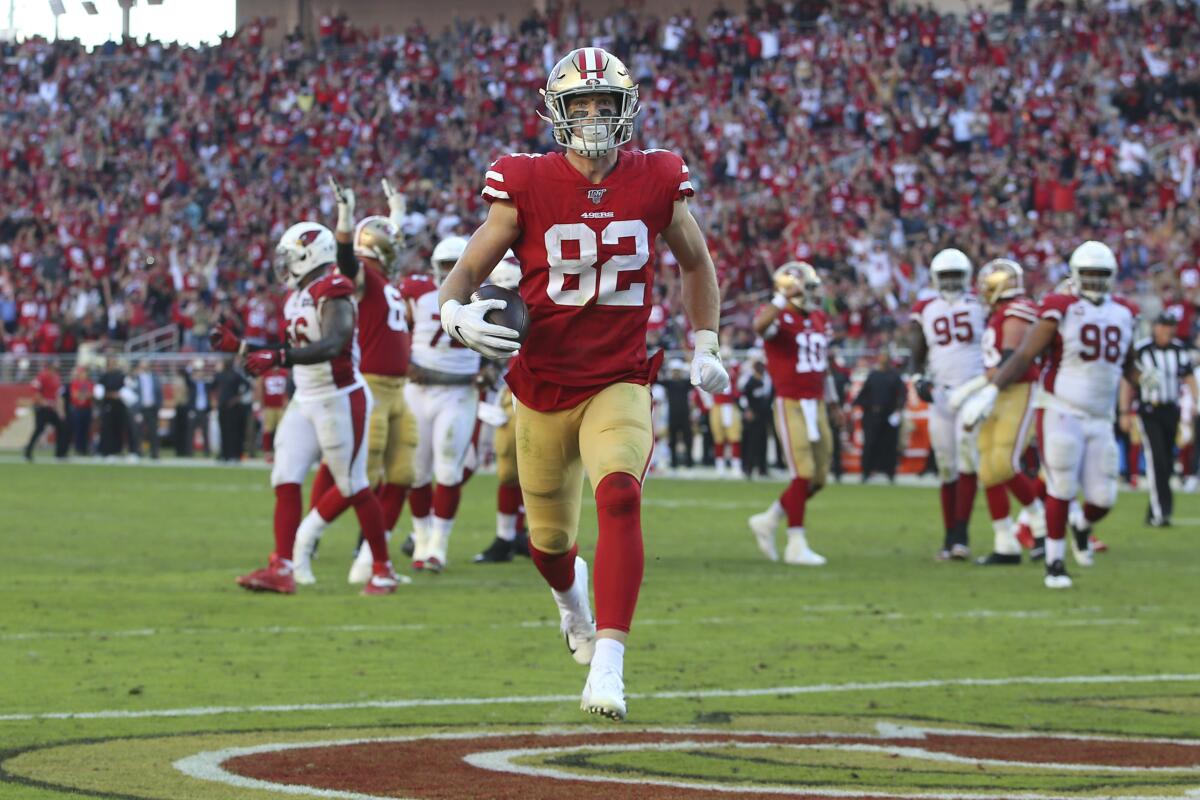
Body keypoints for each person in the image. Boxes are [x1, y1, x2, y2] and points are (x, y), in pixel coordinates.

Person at [437, 46, 729, 721]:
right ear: (558, 112)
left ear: (626, 110)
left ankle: (610, 665)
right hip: (540, 386)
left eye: (606, 104)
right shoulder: (526, 180)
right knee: (548, 548)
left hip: (618, 379)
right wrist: (452, 312)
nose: (595, 116)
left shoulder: (656, 177)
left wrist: (706, 340)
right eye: (582, 104)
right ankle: (574, 608)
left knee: (621, 495)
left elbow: (697, 261)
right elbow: (470, 264)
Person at [213, 212, 400, 596]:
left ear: (310, 253)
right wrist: (242, 347)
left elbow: (332, 343)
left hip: (339, 397)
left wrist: (277, 359)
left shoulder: (335, 288)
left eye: (289, 255)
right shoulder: (296, 295)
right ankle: (282, 566)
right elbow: (294, 348)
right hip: (306, 397)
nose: (283, 263)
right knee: (284, 474)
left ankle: (383, 569)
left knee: (354, 484)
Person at [959, 241, 1151, 589]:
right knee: (1060, 482)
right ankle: (1055, 562)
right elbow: (1022, 355)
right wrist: (991, 389)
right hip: (1061, 408)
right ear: (1075, 276)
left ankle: (1081, 526)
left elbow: (1126, 362)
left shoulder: (1123, 313)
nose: (1094, 281)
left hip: (1100, 415)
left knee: (1103, 498)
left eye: (1100, 275)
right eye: (1088, 274)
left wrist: (1143, 380)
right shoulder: (1060, 307)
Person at [295, 180, 418, 585]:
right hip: (372, 387)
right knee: (359, 476)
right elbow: (349, 263)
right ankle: (305, 538)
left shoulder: (382, 275)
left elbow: (385, 238)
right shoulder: (362, 275)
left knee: (402, 474)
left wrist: (395, 211)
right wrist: (345, 221)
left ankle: (369, 559)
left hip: (399, 391)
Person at [397, 234, 479, 573]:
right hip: (419, 390)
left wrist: (487, 368)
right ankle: (421, 539)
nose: (449, 272)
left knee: (448, 468)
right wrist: (404, 361)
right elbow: (396, 330)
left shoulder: (483, 296)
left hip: (458, 392)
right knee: (416, 471)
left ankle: (438, 548)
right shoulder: (416, 292)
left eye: (454, 265)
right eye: (445, 266)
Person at [959, 259, 1049, 566]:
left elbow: (1014, 359)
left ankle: (1040, 523)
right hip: (997, 389)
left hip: (1018, 391)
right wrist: (972, 389)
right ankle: (1005, 542)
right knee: (986, 467)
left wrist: (986, 391)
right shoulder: (999, 313)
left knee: (1004, 462)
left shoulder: (1017, 310)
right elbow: (997, 364)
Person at [748, 262, 834, 566]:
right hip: (791, 402)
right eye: (806, 288)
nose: (813, 294)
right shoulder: (780, 316)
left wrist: (835, 402)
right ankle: (796, 543)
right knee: (803, 473)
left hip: (818, 401)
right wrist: (781, 298)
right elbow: (760, 327)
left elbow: (825, 365)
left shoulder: (820, 317)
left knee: (819, 477)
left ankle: (769, 519)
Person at [908, 248, 986, 560]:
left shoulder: (981, 305)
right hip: (941, 392)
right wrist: (917, 377)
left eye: (956, 276)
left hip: (974, 391)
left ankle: (961, 535)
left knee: (967, 461)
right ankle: (949, 535)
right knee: (946, 466)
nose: (952, 283)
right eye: (947, 277)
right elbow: (917, 345)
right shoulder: (925, 307)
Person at [473, 257, 531, 564]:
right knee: (509, 468)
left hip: (543, 386)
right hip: (512, 389)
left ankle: (533, 536)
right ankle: (508, 536)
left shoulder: (542, 300)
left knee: (543, 471)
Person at [1123, 312, 1196, 527]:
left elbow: (1189, 376)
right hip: (1149, 411)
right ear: (1155, 327)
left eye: (1171, 326)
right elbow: (1127, 381)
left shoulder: (1179, 350)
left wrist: (1196, 402)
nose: (1168, 330)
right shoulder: (1142, 350)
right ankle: (1160, 512)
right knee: (1157, 460)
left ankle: (1156, 510)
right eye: (1164, 326)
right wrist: (1124, 411)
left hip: (1170, 410)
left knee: (1166, 461)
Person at [854, 352, 906, 482]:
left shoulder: (894, 376)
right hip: (872, 415)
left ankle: (890, 472)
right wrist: (865, 405)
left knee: (890, 444)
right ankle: (866, 471)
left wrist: (898, 410)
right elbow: (862, 395)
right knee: (870, 444)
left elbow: (902, 394)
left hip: (889, 415)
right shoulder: (873, 376)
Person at [25, 363, 67, 461]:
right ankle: (28, 452)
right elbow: (35, 391)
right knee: (39, 429)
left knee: (62, 427)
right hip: (42, 408)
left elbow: (58, 395)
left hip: (52, 409)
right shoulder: (42, 376)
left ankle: (60, 453)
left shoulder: (57, 378)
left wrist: (61, 411)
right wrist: (44, 402)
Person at [708, 358, 742, 475]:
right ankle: (720, 465)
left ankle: (736, 465)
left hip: (730, 406)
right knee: (718, 437)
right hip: (717, 406)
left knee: (735, 437)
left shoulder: (734, 372)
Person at [213, 359, 250, 462]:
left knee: (229, 431)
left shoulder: (231, 375)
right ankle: (228, 454)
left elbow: (247, 386)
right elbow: (212, 387)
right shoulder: (225, 375)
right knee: (228, 431)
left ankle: (230, 454)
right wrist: (238, 397)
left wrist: (237, 398)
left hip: (230, 406)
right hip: (227, 406)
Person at [740, 359, 772, 479]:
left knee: (763, 444)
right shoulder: (750, 383)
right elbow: (742, 399)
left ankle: (762, 469)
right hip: (752, 419)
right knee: (751, 444)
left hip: (762, 417)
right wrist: (747, 411)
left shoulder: (764, 383)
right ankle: (748, 469)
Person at [662, 359, 694, 468]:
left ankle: (689, 463)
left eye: (677, 371)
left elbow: (696, 380)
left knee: (688, 440)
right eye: (674, 371)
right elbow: (656, 379)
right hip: (673, 416)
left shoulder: (686, 383)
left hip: (685, 416)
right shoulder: (669, 383)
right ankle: (674, 463)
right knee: (673, 440)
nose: (676, 373)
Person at [97, 357, 129, 458]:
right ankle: (106, 450)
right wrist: (112, 395)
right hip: (108, 405)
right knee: (107, 428)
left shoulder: (121, 376)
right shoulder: (104, 377)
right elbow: (99, 393)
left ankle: (117, 450)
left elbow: (126, 389)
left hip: (119, 406)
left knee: (118, 428)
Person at [132, 361, 163, 460]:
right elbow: (134, 394)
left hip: (152, 408)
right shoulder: (137, 378)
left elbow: (159, 393)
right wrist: (136, 410)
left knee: (153, 431)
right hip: (141, 408)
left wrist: (158, 406)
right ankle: (138, 451)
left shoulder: (154, 377)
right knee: (138, 431)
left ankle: (154, 452)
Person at [258, 365, 290, 461]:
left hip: (281, 407)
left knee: (283, 430)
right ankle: (267, 452)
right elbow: (261, 388)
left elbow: (288, 388)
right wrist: (261, 404)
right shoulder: (265, 374)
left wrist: (286, 401)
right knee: (268, 430)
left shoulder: (285, 373)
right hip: (269, 407)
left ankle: (282, 451)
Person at [67, 365, 94, 456]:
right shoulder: (75, 383)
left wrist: (82, 395)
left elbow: (91, 395)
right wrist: (84, 395)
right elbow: (74, 395)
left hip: (87, 408)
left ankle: (85, 448)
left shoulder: (89, 383)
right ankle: (78, 449)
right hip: (78, 409)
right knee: (78, 429)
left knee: (86, 429)